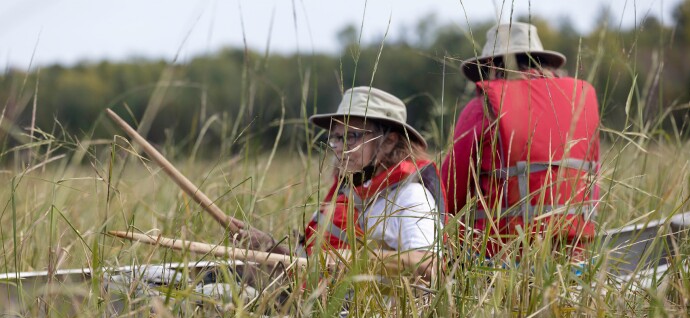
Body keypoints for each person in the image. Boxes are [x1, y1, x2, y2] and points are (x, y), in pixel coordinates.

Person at [231, 86, 446, 282]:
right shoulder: (347, 192)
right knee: (218, 280)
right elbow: (313, 262)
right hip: (316, 306)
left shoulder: (410, 196)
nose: (340, 149)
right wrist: (271, 247)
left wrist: (356, 258)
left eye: (351, 137)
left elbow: (430, 264)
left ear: (389, 142)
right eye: (336, 138)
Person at [442, 22, 600, 258]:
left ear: (491, 67)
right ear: (543, 62)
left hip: (502, 261)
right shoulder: (582, 103)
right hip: (574, 256)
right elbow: (592, 181)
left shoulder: (482, 108)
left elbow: (449, 195)